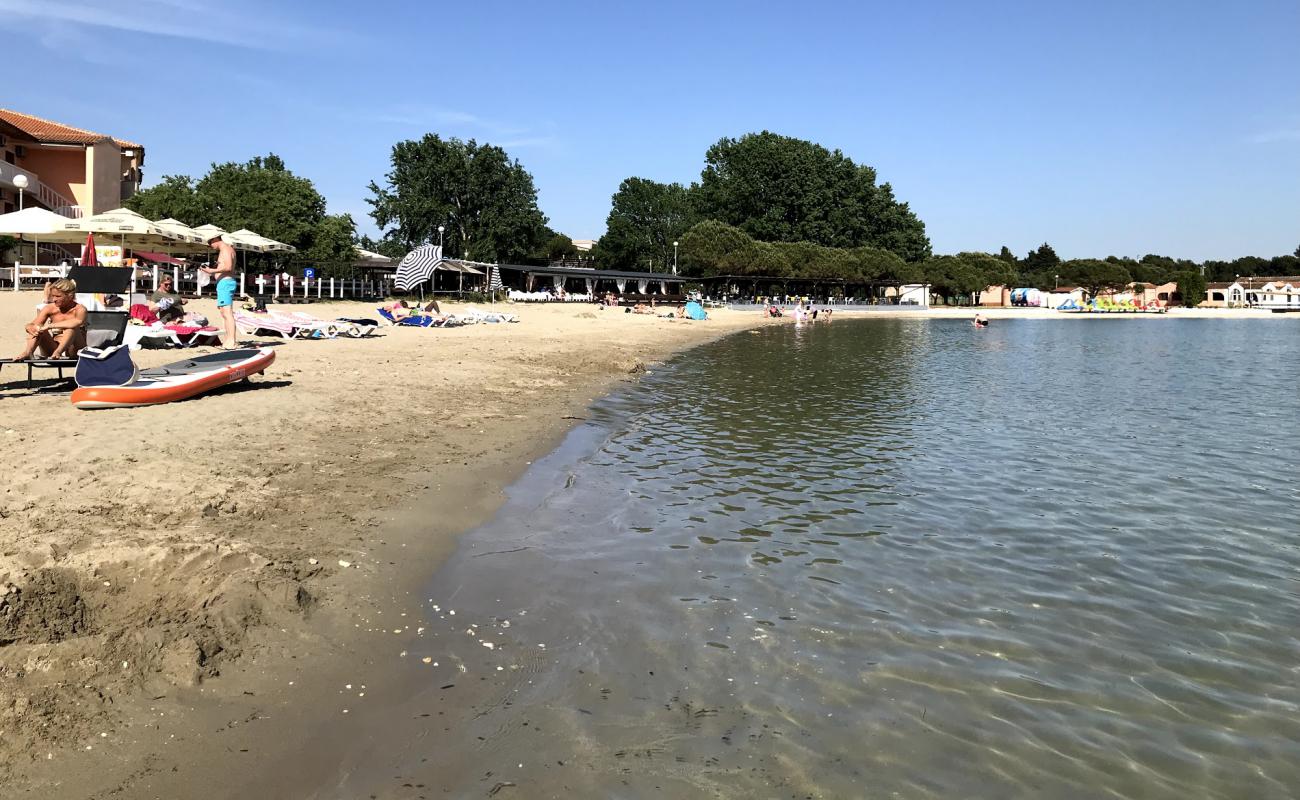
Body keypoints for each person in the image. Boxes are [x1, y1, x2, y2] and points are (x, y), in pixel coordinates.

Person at [13, 278, 87, 360]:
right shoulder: (50, 308)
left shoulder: (80, 309)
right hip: (53, 349)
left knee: (71, 328)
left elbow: (77, 322)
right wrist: (29, 326)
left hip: (76, 350)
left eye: (58, 296)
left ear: (70, 296)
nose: (54, 299)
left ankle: (58, 352)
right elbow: (34, 324)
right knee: (37, 327)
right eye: (53, 296)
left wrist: (50, 326)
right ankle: (28, 352)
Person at [200, 233, 238, 349]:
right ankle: (228, 340)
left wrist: (211, 270)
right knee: (223, 313)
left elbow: (228, 267)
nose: (210, 245)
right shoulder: (226, 250)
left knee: (227, 313)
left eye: (210, 242)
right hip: (224, 283)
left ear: (216, 239)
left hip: (226, 283)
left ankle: (231, 341)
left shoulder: (225, 249)